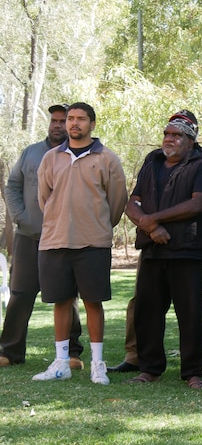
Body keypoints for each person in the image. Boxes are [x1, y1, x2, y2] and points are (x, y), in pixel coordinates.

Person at [31, 102, 127, 385]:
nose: (73, 124)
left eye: (81, 119)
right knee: (60, 301)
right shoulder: (50, 158)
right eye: (70, 119)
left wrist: (96, 226)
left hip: (93, 243)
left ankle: (98, 364)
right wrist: (58, 222)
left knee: (93, 302)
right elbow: (44, 199)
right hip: (55, 240)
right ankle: (61, 362)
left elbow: (117, 201)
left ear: (92, 124)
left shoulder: (108, 158)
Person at [125, 110, 202, 389]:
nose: (169, 139)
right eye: (167, 134)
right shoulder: (152, 160)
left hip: (188, 250)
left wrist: (155, 218)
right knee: (147, 311)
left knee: (189, 313)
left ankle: (193, 372)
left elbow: (197, 203)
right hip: (153, 249)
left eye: (177, 135)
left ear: (190, 140)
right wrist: (151, 227)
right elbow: (132, 202)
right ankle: (150, 368)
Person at [1, 104, 84, 369]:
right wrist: (20, 217)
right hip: (29, 236)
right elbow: (12, 186)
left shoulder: (79, 154)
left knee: (66, 295)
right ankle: (9, 351)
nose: (58, 125)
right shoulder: (31, 153)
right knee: (20, 294)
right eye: (55, 120)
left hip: (64, 239)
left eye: (64, 120)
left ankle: (72, 353)